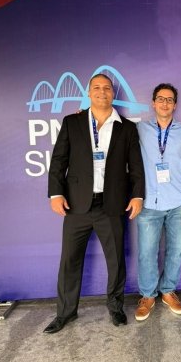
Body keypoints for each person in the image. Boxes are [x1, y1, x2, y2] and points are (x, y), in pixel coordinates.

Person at [44, 74, 145, 334]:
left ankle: (116, 307)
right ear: (89, 93)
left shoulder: (127, 128)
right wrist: (56, 194)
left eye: (107, 88)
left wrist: (137, 195)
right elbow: (58, 161)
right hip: (76, 204)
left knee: (116, 261)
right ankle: (66, 312)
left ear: (113, 93)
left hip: (111, 205)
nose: (102, 92)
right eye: (97, 88)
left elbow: (135, 166)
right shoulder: (72, 122)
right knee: (69, 261)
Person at [134, 83, 181, 321]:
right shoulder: (139, 129)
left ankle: (168, 291)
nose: (165, 103)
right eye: (160, 99)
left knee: (176, 252)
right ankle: (148, 295)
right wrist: (85, 115)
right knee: (146, 253)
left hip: (178, 203)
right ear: (153, 103)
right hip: (149, 204)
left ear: (175, 105)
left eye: (169, 100)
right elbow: (111, 127)